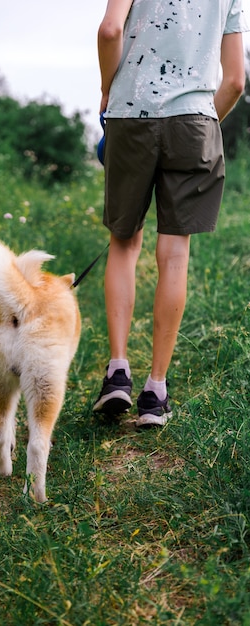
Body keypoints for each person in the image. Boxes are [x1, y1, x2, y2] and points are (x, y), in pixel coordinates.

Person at [93, 0, 248, 427]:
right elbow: (235, 80)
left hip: (131, 114)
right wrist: (201, 119)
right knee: (175, 253)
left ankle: (117, 374)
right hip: (195, 121)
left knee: (124, 243)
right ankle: (155, 393)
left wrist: (109, 89)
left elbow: (110, 31)